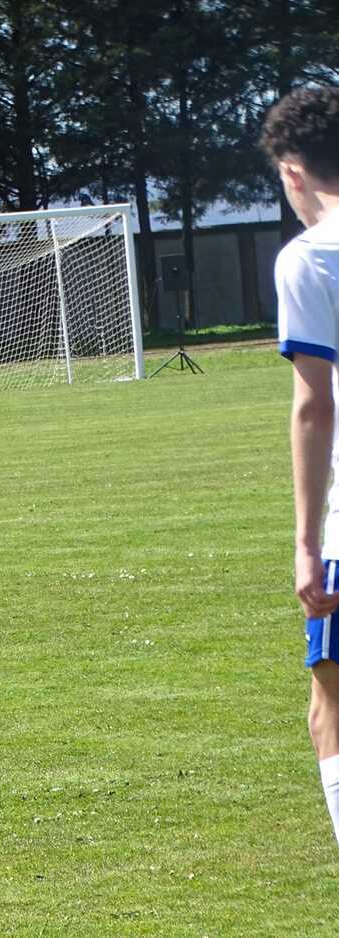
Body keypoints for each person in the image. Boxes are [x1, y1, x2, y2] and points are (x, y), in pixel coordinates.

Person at [261, 84, 339, 848]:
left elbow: (315, 406)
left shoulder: (311, 258)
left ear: (291, 172)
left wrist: (306, 543)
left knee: (332, 709)